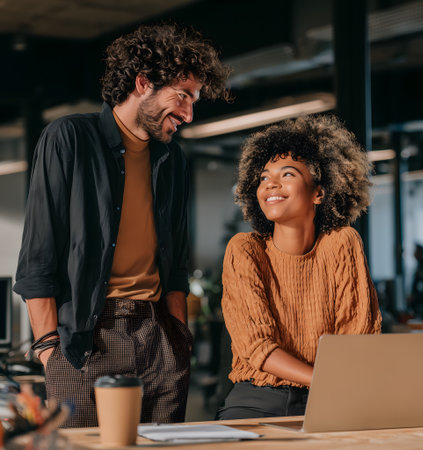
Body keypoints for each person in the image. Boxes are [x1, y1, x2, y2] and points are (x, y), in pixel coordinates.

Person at [14, 23, 230, 428]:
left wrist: (179, 339)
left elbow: (176, 265)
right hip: (86, 339)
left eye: (193, 100)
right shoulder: (70, 138)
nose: (188, 113)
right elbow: (38, 257)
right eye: (182, 96)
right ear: (143, 83)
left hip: (159, 337)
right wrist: (49, 350)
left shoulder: (173, 162)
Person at [217, 115, 382, 419]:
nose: (271, 185)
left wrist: (341, 386)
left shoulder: (341, 243)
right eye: (264, 177)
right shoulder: (245, 250)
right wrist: (328, 380)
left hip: (332, 396)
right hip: (258, 398)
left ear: (319, 192)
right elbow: (258, 348)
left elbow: (358, 336)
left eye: (288, 174)